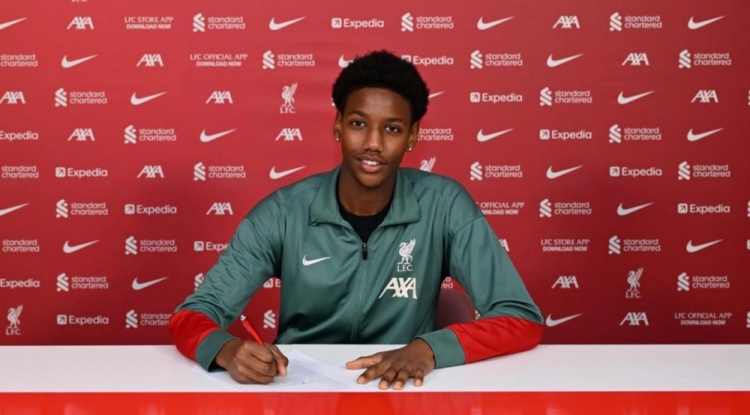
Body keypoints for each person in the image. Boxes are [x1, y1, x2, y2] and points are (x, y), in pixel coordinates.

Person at [169, 50, 543, 390]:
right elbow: (193, 315)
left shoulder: (445, 206)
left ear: (412, 137)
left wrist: (429, 349)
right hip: (299, 390)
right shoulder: (283, 212)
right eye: (359, 123)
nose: (373, 143)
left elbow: (520, 317)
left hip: (401, 387)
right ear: (338, 125)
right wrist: (227, 349)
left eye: (392, 129)